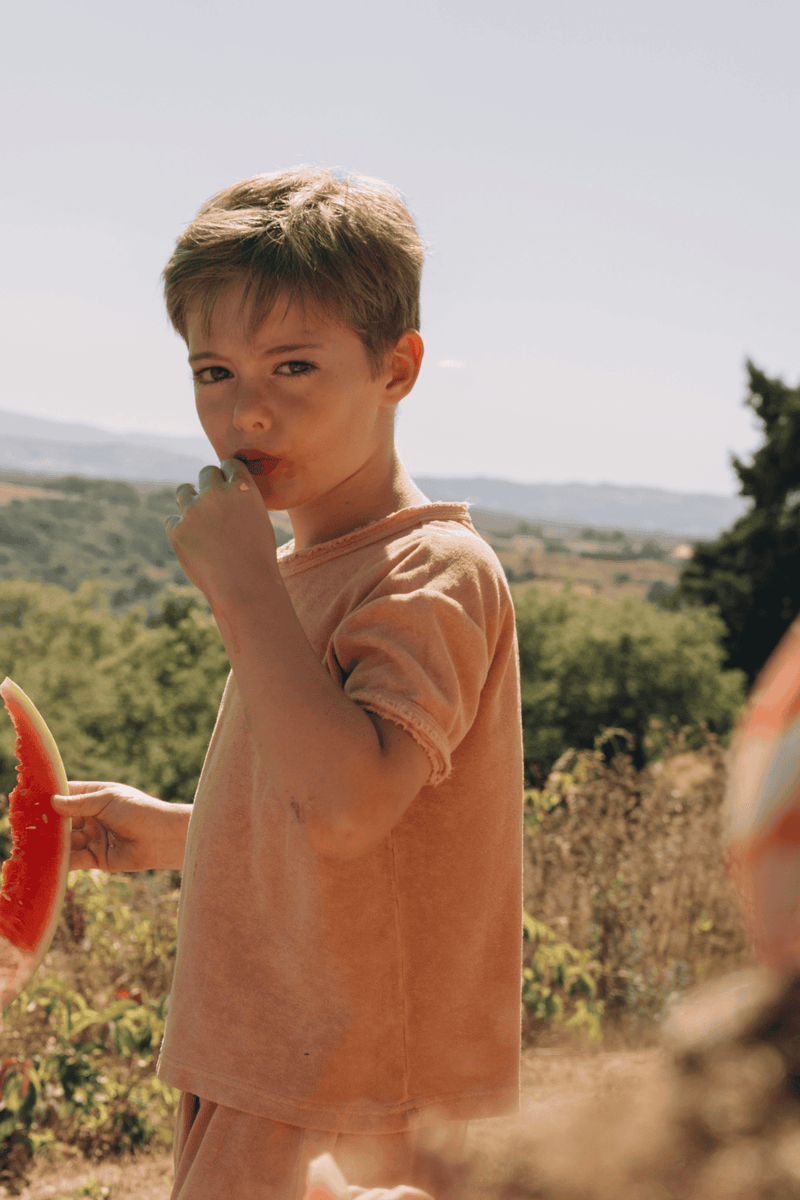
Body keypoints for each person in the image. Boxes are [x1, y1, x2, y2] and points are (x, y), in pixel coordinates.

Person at [51, 168, 524, 1200]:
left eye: (294, 366)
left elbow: (354, 806)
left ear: (395, 368)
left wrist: (241, 589)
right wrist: (187, 830)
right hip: (264, 1070)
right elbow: (347, 816)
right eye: (212, 371)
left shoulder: (428, 572)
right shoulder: (313, 572)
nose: (244, 410)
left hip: (347, 1111)